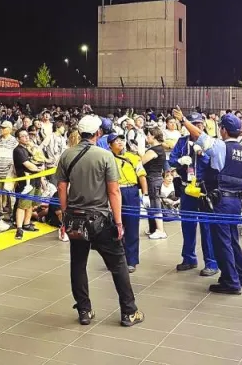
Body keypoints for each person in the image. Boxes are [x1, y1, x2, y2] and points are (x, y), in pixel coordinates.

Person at [55, 115, 144, 327]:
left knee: (78, 264)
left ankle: (84, 310)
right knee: (118, 264)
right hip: (101, 219)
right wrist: (119, 222)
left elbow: (61, 188)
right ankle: (129, 312)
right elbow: (114, 191)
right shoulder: (105, 156)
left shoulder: (67, 155)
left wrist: (65, 216)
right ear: (98, 133)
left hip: (76, 219)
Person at [176, 108, 242, 294]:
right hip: (236, 202)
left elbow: (199, 135)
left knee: (222, 242)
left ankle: (230, 282)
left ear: (223, 130)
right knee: (233, 239)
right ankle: (241, 276)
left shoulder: (220, 146)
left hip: (221, 201)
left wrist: (184, 120)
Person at [168, 112, 218, 277]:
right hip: (186, 188)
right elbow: (172, 160)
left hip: (204, 189)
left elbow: (216, 163)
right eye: (194, 124)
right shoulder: (182, 142)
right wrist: (181, 161)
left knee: (206, 226)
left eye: (200, 124)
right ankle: (189, 258)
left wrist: (203, 155)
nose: (198, 127)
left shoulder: (210, 142)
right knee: (187, 224)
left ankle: (211, 262)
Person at [108, 133, 149, 272]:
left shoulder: (133, 157)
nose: (119, 142)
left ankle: (131, 260)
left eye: (121, 140)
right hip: (114, 192)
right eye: (115, 141)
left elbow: (142, 176)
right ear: (109, 145)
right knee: (115, 227)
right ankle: (117, 259)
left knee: (131, 226)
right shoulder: (106, 159)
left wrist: (145, 194)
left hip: (131, 192)